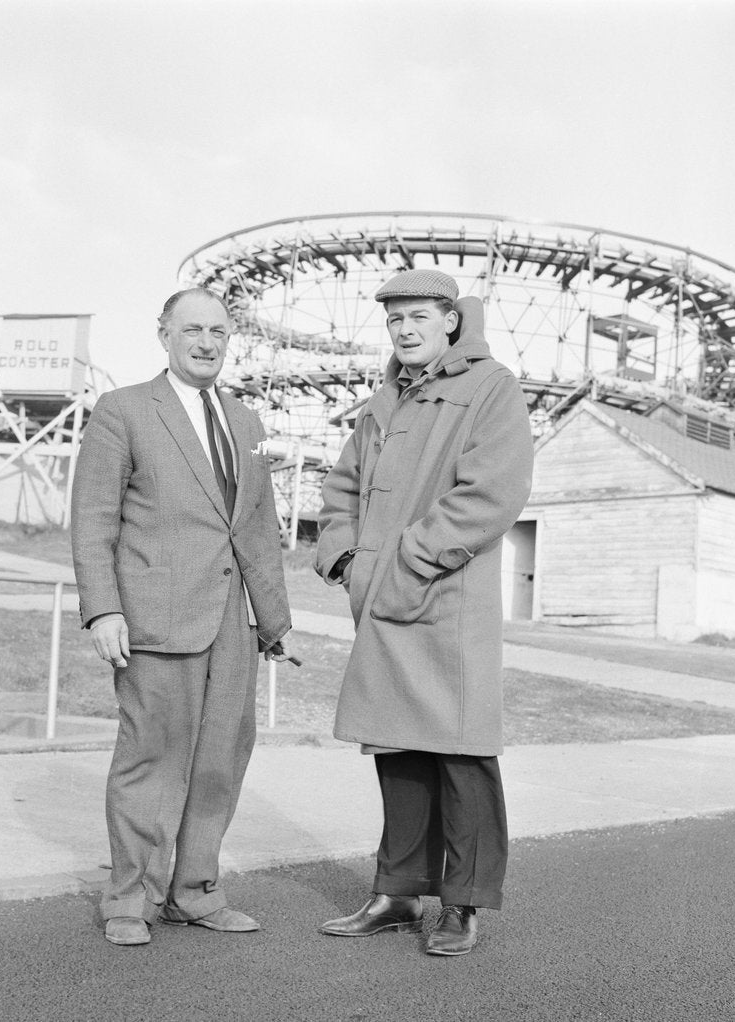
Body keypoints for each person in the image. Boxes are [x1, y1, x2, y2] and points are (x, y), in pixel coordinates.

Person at [314, 268, 533, 956]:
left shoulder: (490, 387)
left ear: (451, 320)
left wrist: (409, 560)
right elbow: (341, 487)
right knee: (397, 745)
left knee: (462, 753)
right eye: (394, 319)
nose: (404, 329)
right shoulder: (385, 399)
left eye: (417, 317)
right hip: (382, 597)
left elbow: (492, 494)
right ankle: (400, 893)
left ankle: (464, 903)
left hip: (447, 598)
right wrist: (346, 557)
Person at [71, 287, 293, 947]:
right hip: (153, 615)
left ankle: (195, 893)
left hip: (230, 620)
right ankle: (130, 900)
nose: (205, 342)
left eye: (218, 332)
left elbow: (257, 527)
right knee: (152, 758)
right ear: (163, 333)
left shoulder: (245, 423)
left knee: (222, 757)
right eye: (192, 329)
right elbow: (92, 520)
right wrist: (103, 610)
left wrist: (274, 621)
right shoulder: (125, 410)